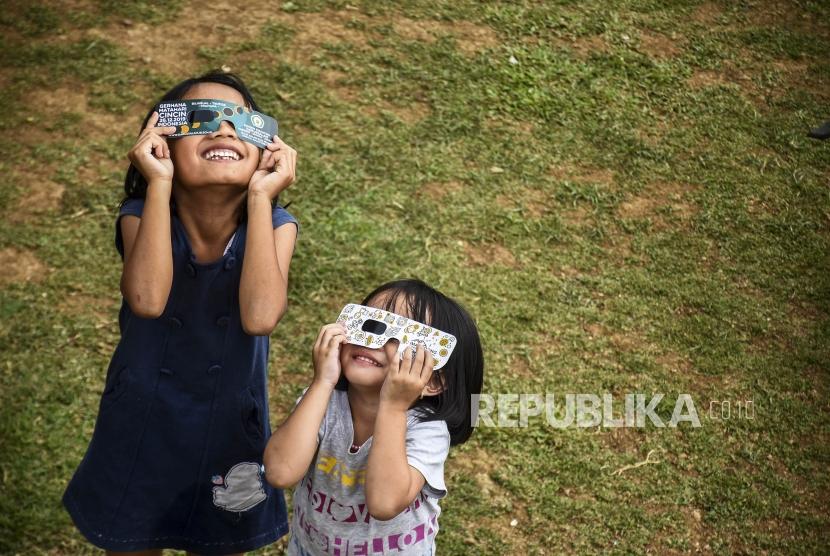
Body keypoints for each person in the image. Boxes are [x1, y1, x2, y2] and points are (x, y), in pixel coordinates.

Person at [63, 70, 298, 555]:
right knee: (131, 541)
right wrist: (159, 184)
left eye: (242, 123)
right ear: (163, 142)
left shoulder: (276, 225)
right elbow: (148, 300)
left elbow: (260, 316)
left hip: (231, 429)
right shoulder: (140, 214)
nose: (223, 129)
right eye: (200, 118)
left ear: (264, 149)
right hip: (141, 421)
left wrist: (261, 196)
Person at [264, 279, 484, 556]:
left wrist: (393, 407)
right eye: (371, 324)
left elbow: (384, 503)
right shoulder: (323, 400)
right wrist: (322, 381)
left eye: (403, 337)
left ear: (434, 381)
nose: (375, 340)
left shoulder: (427, 429)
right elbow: (279, 471)